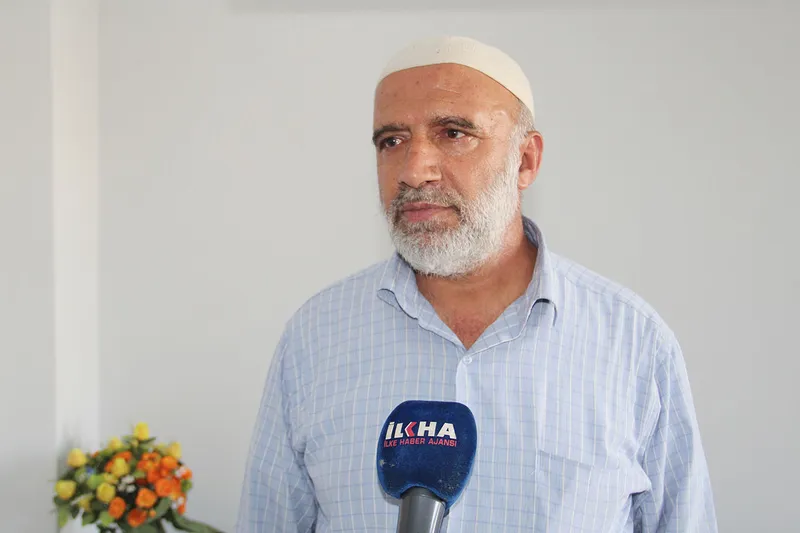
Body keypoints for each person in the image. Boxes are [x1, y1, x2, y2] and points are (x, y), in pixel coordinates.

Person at [235, 35, 718, 532]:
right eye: (392, 141)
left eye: (453, 133)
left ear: (525, 160)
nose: (414, 170)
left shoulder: (633, 343)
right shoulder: (315, 338)